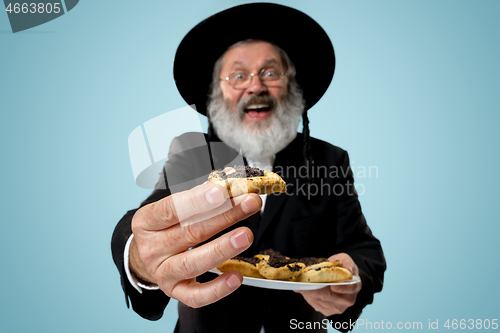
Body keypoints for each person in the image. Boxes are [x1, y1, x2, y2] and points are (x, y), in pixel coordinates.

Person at [111, 3, 386, 333]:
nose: (256, 87)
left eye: (270, 73)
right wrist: (141, 258)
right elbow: (148, 220)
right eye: (238, 76)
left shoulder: (329, 161)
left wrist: (352, 275)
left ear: (292, 88)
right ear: (217, 93)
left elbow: (365, 248)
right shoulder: (193, 152)